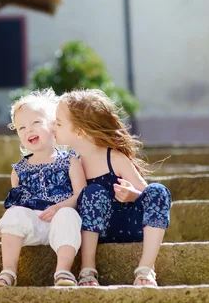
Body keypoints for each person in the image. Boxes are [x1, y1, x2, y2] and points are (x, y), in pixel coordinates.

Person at [55, 89, 172, 287]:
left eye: (58, 123)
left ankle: (146, 268)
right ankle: (88, 269)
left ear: (80, 131)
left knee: (158, 190)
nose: (52, 127)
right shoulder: (69, 163)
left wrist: (133, 195)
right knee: (92, 193)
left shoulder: (114, 158)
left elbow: (147, 196)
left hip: (129, 226)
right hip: (95, 231)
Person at [0, 88, 87, 287]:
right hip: (32, 227)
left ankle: (63, 271)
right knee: (17, 212)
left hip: (60, 223)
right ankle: (8, 272)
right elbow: (15, 209)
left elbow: (81, 194)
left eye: (36, 123)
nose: (29, 130)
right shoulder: (19, 170)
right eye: (22, 128)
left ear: (54, 126)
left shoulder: (70, 162)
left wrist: (58, 207)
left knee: (69, 215)